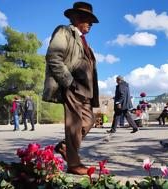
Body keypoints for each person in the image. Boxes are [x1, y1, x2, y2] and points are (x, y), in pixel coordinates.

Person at [42, 2, 99, 175]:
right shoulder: (64, 31)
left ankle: (66, 147)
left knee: (89, 121)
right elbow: (53, 57)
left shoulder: (85, 42)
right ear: (76, 18)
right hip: (72, 86)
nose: (90, 24)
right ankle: (73, 164)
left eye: (90, 21)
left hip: (86, 90)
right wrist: (69, 82)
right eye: (87, 20)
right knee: (74, 124)